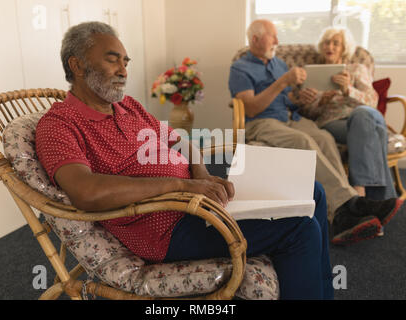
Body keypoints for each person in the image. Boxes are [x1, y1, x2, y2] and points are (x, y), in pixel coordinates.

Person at [36, 21, 333, 299]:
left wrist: (200, 173)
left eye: (125, 62)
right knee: (299, 228)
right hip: (166, 229)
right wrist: (182, 185)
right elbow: (86, 192)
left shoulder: (128, 107)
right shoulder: (59, 125)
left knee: (313, 191)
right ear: (77, 65)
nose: (124, 71)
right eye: (112, 60)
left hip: (197, 203)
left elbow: (180, 140)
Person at [228, 19, 397, 245]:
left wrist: (299, 98)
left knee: (324, 137)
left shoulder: (279, 63)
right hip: (262, 121)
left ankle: (346, 208)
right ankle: (347, 208)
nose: (278, 41)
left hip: (290, 118)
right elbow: (251, 107)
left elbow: (289, 99)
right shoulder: (240, 68)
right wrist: (282, 82)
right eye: (273, 36)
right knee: (302, 140)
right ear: (256, 39)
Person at [292, 26, 399, 214]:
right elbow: (306, 113)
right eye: (326, 42)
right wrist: (321, 101)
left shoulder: (357, 69)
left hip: (366, 117)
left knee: (362, 115)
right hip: (334, 123)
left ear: (344, 48)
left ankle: (360, 194)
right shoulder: (313, 74)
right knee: (374, 133)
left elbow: (372, 101)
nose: (330, 47)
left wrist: (348, 89)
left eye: (336, 43)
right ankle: (379, 201)